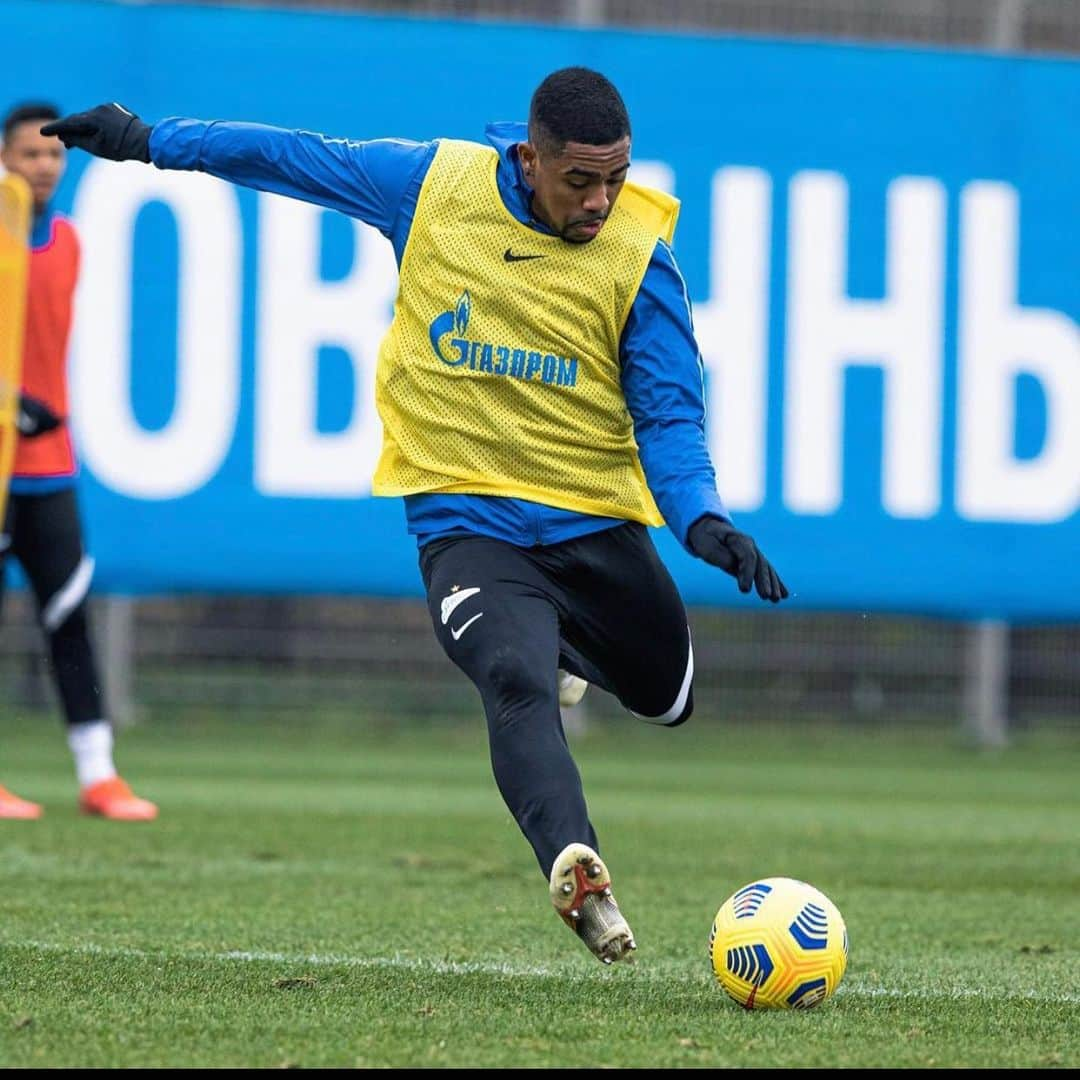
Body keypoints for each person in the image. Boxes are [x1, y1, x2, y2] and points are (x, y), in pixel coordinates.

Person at [45, 68, 787, 959]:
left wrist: (704, 521)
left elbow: (669, 414)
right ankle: (576, 868)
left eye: (615, 179)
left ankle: (570, 651)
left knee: (670, 701)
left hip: (593, 522)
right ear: (528, 156)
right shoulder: (435, 186)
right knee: (512, 680)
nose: (599, 201)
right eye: (579, 180)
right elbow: (290, 157)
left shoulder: (639, 259)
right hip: (467, 524)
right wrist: (148, 139)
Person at [0, 102, 157, 821]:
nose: (42, 168)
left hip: (49, 466)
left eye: (52, 157)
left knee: (67, 614)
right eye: (29, 155)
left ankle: (98, 774)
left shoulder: (67, 241)